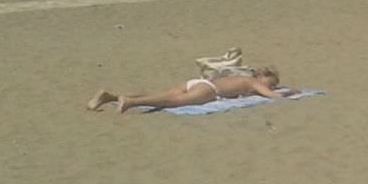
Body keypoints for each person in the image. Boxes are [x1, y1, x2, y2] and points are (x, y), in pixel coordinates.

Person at [87, 66, 298, 113]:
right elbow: (274, 97)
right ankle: (131, 102)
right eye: (271, 82)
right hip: (208, 90)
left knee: (161, 96)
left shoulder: (241, 79)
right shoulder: (253, 82)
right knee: (172, 102)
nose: (271, 86)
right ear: (261, 78)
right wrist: (289, 92)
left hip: (196, 82)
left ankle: (110, 97)